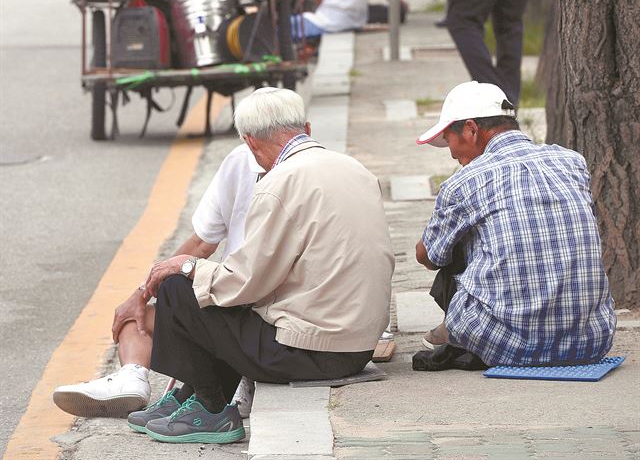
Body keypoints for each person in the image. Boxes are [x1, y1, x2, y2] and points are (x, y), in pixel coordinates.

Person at [127, 87, 394, 444]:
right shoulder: (353, 168)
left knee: (182, 290)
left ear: (250, 144)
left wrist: (189, 266)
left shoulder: (278, 184)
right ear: (307, 129)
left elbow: (244, 283)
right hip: (358, 345)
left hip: (313, 351)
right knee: (219, 301)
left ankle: (210, 409)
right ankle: (191, 393)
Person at [53, 144, 263, 421]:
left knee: (168, 296)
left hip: (245, 310)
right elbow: (201, 243)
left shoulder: (248, 159)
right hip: (239, 303)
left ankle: (146, 378)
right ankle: (132, 378)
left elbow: (202, 245)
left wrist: (145, 292)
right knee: (137, 312)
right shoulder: (254, 162)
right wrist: (140, 295)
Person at [414, 81, 616, 369]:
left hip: (507, 345)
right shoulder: (572, 162)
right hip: (590, 340)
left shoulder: (464, 183)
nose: (451, 154)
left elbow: (429, 257)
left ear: (471, 129)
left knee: (454, 242)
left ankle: (465, 333)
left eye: (449, 141)